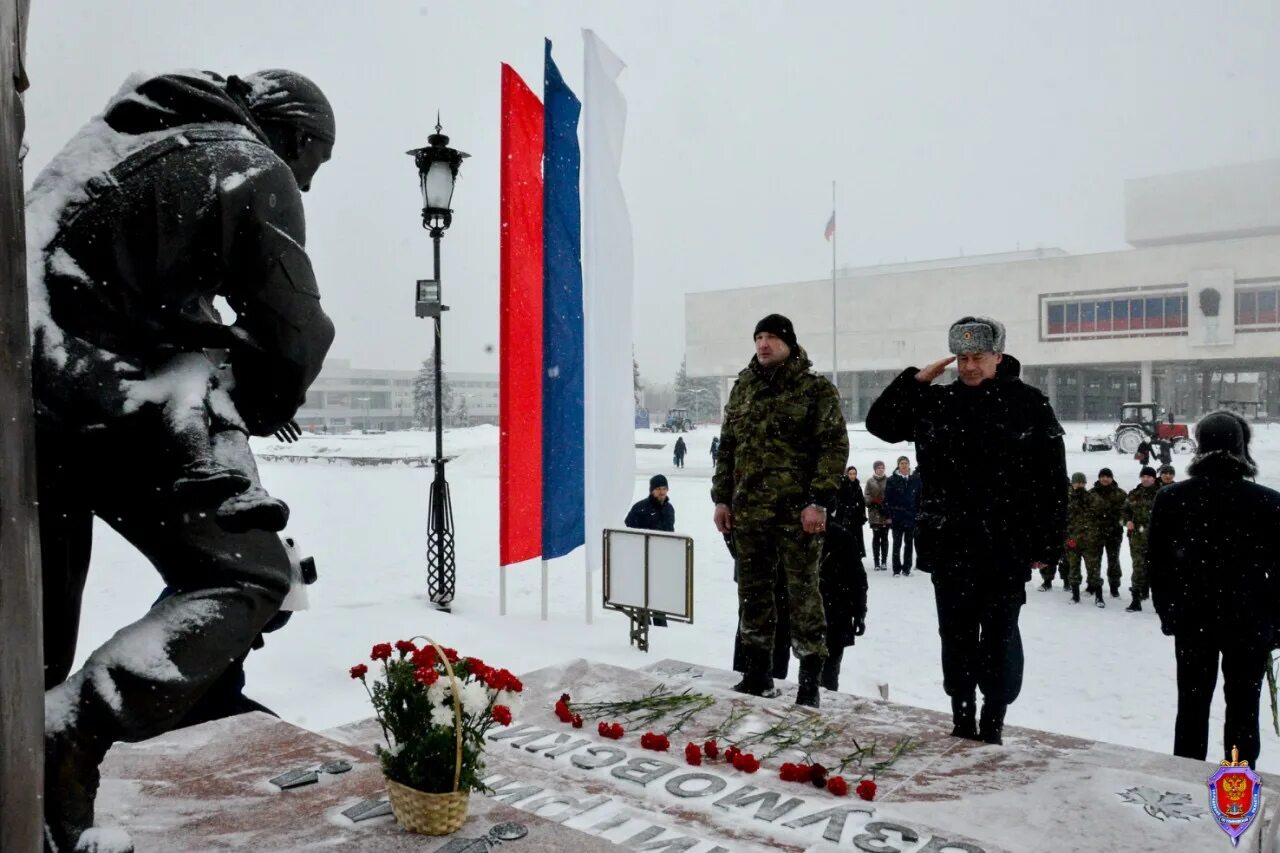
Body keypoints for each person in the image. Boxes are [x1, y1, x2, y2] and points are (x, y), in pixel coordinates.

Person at [31, 69, 336, 850]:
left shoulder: (136, 137)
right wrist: (261, 398)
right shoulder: (251, 166)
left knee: (36, 631)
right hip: (95, 392)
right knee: (248, 572)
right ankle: (74, 725)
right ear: (294, 135)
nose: (308, 178)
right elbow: (296, 333)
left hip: (30, 395)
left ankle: (34, 801)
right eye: (316, 160)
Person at [866, 315, 1066, 745]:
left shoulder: (1028, 403)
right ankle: (961, 715)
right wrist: (915, 381)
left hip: (1005, 543)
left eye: (978, 357)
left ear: (998, 355)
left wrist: (1047, 541)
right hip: (950, 541)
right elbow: (880, 425)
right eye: (961, 358)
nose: (969, 366)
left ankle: (993, 719)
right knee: (955, 634)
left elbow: (1052, 478)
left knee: (999, 634)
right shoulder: (937, 401)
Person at [712, 313, 848, 708]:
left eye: (771, 337)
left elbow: (833, 447)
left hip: (797, 515)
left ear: (788, 341)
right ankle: (757, 673)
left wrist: (818, 500)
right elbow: (729, 447)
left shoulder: (814, 389)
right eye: (758, 337)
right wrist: (722, 498)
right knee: (752, 593)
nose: (763, 344)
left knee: (803, 593)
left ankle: (809, 680)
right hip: (749, 513)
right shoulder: (744, 387)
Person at [1148, 411, 1280, 769]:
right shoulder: (1269, 502)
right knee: (1243, 708)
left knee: (1191, 705)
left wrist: (1168, 613)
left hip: (1193, 620)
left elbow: (1157, 563)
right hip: (1249, 622)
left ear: (1200, 448)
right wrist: (1275, 624)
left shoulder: (1172, 498)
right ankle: (1236, 788)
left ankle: (1187, 780)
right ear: (1242, 448)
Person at [1041, 473, 1100, 603]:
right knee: (1071, 565)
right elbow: (1059, 517)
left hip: (1088, 539)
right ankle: (1071, 591)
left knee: (1092, 568)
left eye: (1081, 482)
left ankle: (1097, 594)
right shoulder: (1064, 498)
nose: (1079, 485)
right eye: (1076, 482)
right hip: (1069, 538)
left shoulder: (1091, 497)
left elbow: (1098, 517)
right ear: (1072, 483)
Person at [625, 474, 676, 627]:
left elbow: (670, 533)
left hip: (661, 560)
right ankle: (643, 626)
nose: (662, 492)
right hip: (641, 560)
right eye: (659, 489)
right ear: (652, 490)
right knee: (643, 597)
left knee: (658, 597)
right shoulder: (640, 508)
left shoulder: (669, 509)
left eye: (664, 489)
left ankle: (661, 628)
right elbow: (628, 530)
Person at [1120, 466, 1160, 612]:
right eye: (1143, 476)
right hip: (1137, 538)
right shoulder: (1134, 494)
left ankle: (1159, 602)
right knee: (1138, 568)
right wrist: (1127, 521)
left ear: (1154, 478)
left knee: (1157, 570)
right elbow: (1124, 512)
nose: (1145, 479)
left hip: (1157, 539)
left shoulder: (1161, 493)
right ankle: (1136, 600)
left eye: (1149, 476)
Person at [1089, 468, 1126, 604]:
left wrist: (1117, 522)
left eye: (1108, 477)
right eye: (1103, 476)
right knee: (1094, 562)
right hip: (1095, 534)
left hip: (1114, 534)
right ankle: (1094, 585)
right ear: (1099, 478)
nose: (1105, 479)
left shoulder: (1120, 494)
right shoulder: (1091, 494)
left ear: (1112, 478)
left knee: (1114, 561)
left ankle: (1114, 586)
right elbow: (1086, 513)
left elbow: (1126, 512)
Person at [884, 456, 921, 575]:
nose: (904, 465)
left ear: (909, 465)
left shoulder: (915, 479)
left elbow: (919, 498)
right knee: (897, 544)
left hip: (911, 516)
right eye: (901, 463)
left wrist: (917, 513)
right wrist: (890, 515)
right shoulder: (892, 480)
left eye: (906, 463)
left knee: (909, 544)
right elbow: (887, 499)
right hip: (897, 517)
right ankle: (896, 569)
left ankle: (907, 568)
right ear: (898, 465)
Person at [834, 465, 868, 561]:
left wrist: (862, 515)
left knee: (857, 538)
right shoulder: (842, 485)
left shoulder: (857, 485)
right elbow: (838, 500)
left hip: (856, 517)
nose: (852, 476)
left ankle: (857, 556)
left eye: (854, 474)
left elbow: (861, 501)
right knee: (845, 537)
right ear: (847, 474)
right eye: (850, 474)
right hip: (844, 516)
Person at [864, 461, 891, 570]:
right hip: (874, 514)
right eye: (879, 468)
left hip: (886, 514)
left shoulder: (889, 481)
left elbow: (893, 494)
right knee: (876, 538)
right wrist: (873, 500)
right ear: (875, 469)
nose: (881, 469)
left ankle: (884, 561)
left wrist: (886, 504)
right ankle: (876, 562)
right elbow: (866, 496)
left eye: (882, 468)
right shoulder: (870, 481)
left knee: (885, 538)